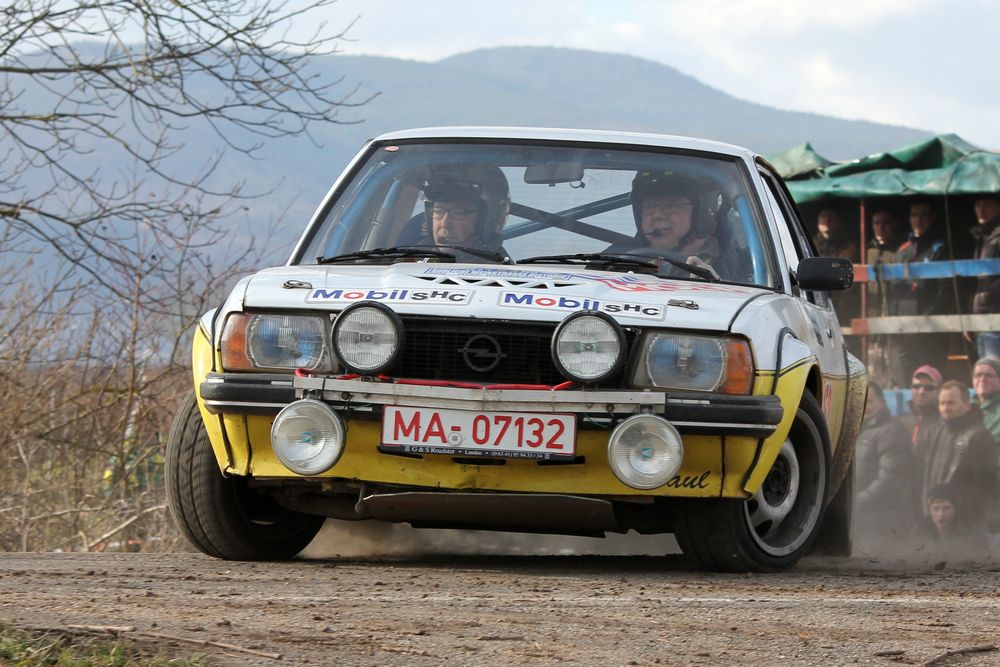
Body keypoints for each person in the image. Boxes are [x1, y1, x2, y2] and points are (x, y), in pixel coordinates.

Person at [605, 170, 720, 276]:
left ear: (700, 213)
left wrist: (714, 284)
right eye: (649, 207)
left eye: (670, 206)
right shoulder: (617, 256)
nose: (657, 215)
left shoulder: (730, 262)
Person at [916, 380, 997, 528]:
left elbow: (985, 483)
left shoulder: (979, 437)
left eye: (951, 403)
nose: (946, 408)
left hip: (965, 522)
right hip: (931, 519)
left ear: (967, 405)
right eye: (942, 403)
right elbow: (918, 475)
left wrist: (962, 514)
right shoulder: (931, 433)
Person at [854, 382, 916, 549]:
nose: (865, 406)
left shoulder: (891, 430)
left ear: (882, 402)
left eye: (870, 401)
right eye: (861, 400)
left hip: (883, 516)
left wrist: (860, 500)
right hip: (863, 516)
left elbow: (890, 477)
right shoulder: (859, 430)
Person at [896, 200, 955, 375]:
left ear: (932, 218)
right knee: (906, 381)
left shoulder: (941, 248)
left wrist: (928, 316)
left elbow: (946, 289)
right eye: (914, 215)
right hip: (904, 329)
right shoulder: (903, 250)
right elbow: (895, 290)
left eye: (923, 215)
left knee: (931, 380)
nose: (918, 219)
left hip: (931, 329)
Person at [404, 164, 511, 254]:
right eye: (438, 212)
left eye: (458, 213)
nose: (445, 224)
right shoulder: (407, 261)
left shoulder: (504, 272)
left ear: (485, 220)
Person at [865, 208, 908, 388]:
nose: (880, 227)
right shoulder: (866, 250)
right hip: (871, 322)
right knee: (873, 372)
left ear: (893, 225)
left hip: (895, 321)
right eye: (876, 223)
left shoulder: (901, 251)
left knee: (897, 373)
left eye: (885, 223)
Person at [910, 483, 991, 564]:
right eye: (936, 508)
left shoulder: (971, 532)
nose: (941, 514)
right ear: (929, 510)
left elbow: (984, 560)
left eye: (946, 508)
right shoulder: (919, 532)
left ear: (955, 509)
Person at [970, 195, 1000, 358]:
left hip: (994, 316)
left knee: (993, 372)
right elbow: (977, 281)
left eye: (986, 206)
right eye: (978, 205)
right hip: (982, 317)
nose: (981, 210)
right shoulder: (982, 236)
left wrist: (987, 297)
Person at [898, 364, 943, 452]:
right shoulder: (900, 421)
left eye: (929, 388)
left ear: (939, 391)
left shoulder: (945, 422)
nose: (921, 392)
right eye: (916, 386)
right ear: (911, 388)